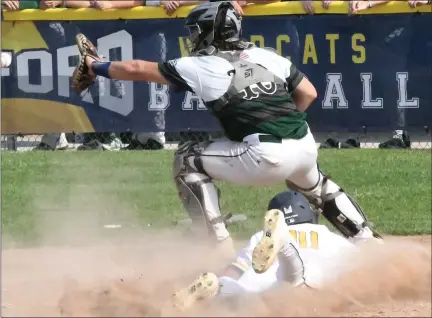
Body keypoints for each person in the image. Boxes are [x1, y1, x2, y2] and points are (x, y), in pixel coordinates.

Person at [78, 1, 381, 256]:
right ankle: (369, 245)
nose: (193, 37)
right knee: (320, 189)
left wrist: (96, 66)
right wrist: (282, 124)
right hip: (303, 146)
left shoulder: (199, 65)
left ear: (210, 32)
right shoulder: (267, 56)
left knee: (187, 159)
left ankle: (218, 246)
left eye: (196, 31)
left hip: (263, 155)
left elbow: (136, 70)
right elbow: (309, 93)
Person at [171, 190, 358, 311]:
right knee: (295, 276)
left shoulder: (260, 237)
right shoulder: (326, 235)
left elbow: (236, 270)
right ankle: (283, 243)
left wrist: (223, 279)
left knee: (242, 294)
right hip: (305, 282)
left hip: (265, 287)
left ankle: (217, 288)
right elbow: (363, 264)